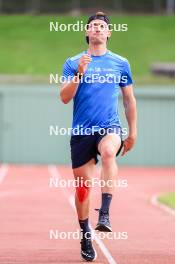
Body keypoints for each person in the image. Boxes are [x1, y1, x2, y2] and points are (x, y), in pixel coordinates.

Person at [60, 11, 137, 262]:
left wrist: (132, 131)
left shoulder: (120, 63)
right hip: (82, 132)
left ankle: (104, 213)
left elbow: (128, 99)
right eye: (92, 26)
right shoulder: (73, 62)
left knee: (107, 152)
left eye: (101, 26)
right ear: (86, 32)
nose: (97, 29)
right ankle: (85, 234)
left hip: (109, 127)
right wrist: (79, 73)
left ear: (109, 33)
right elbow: (64, 97)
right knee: (83, 189)